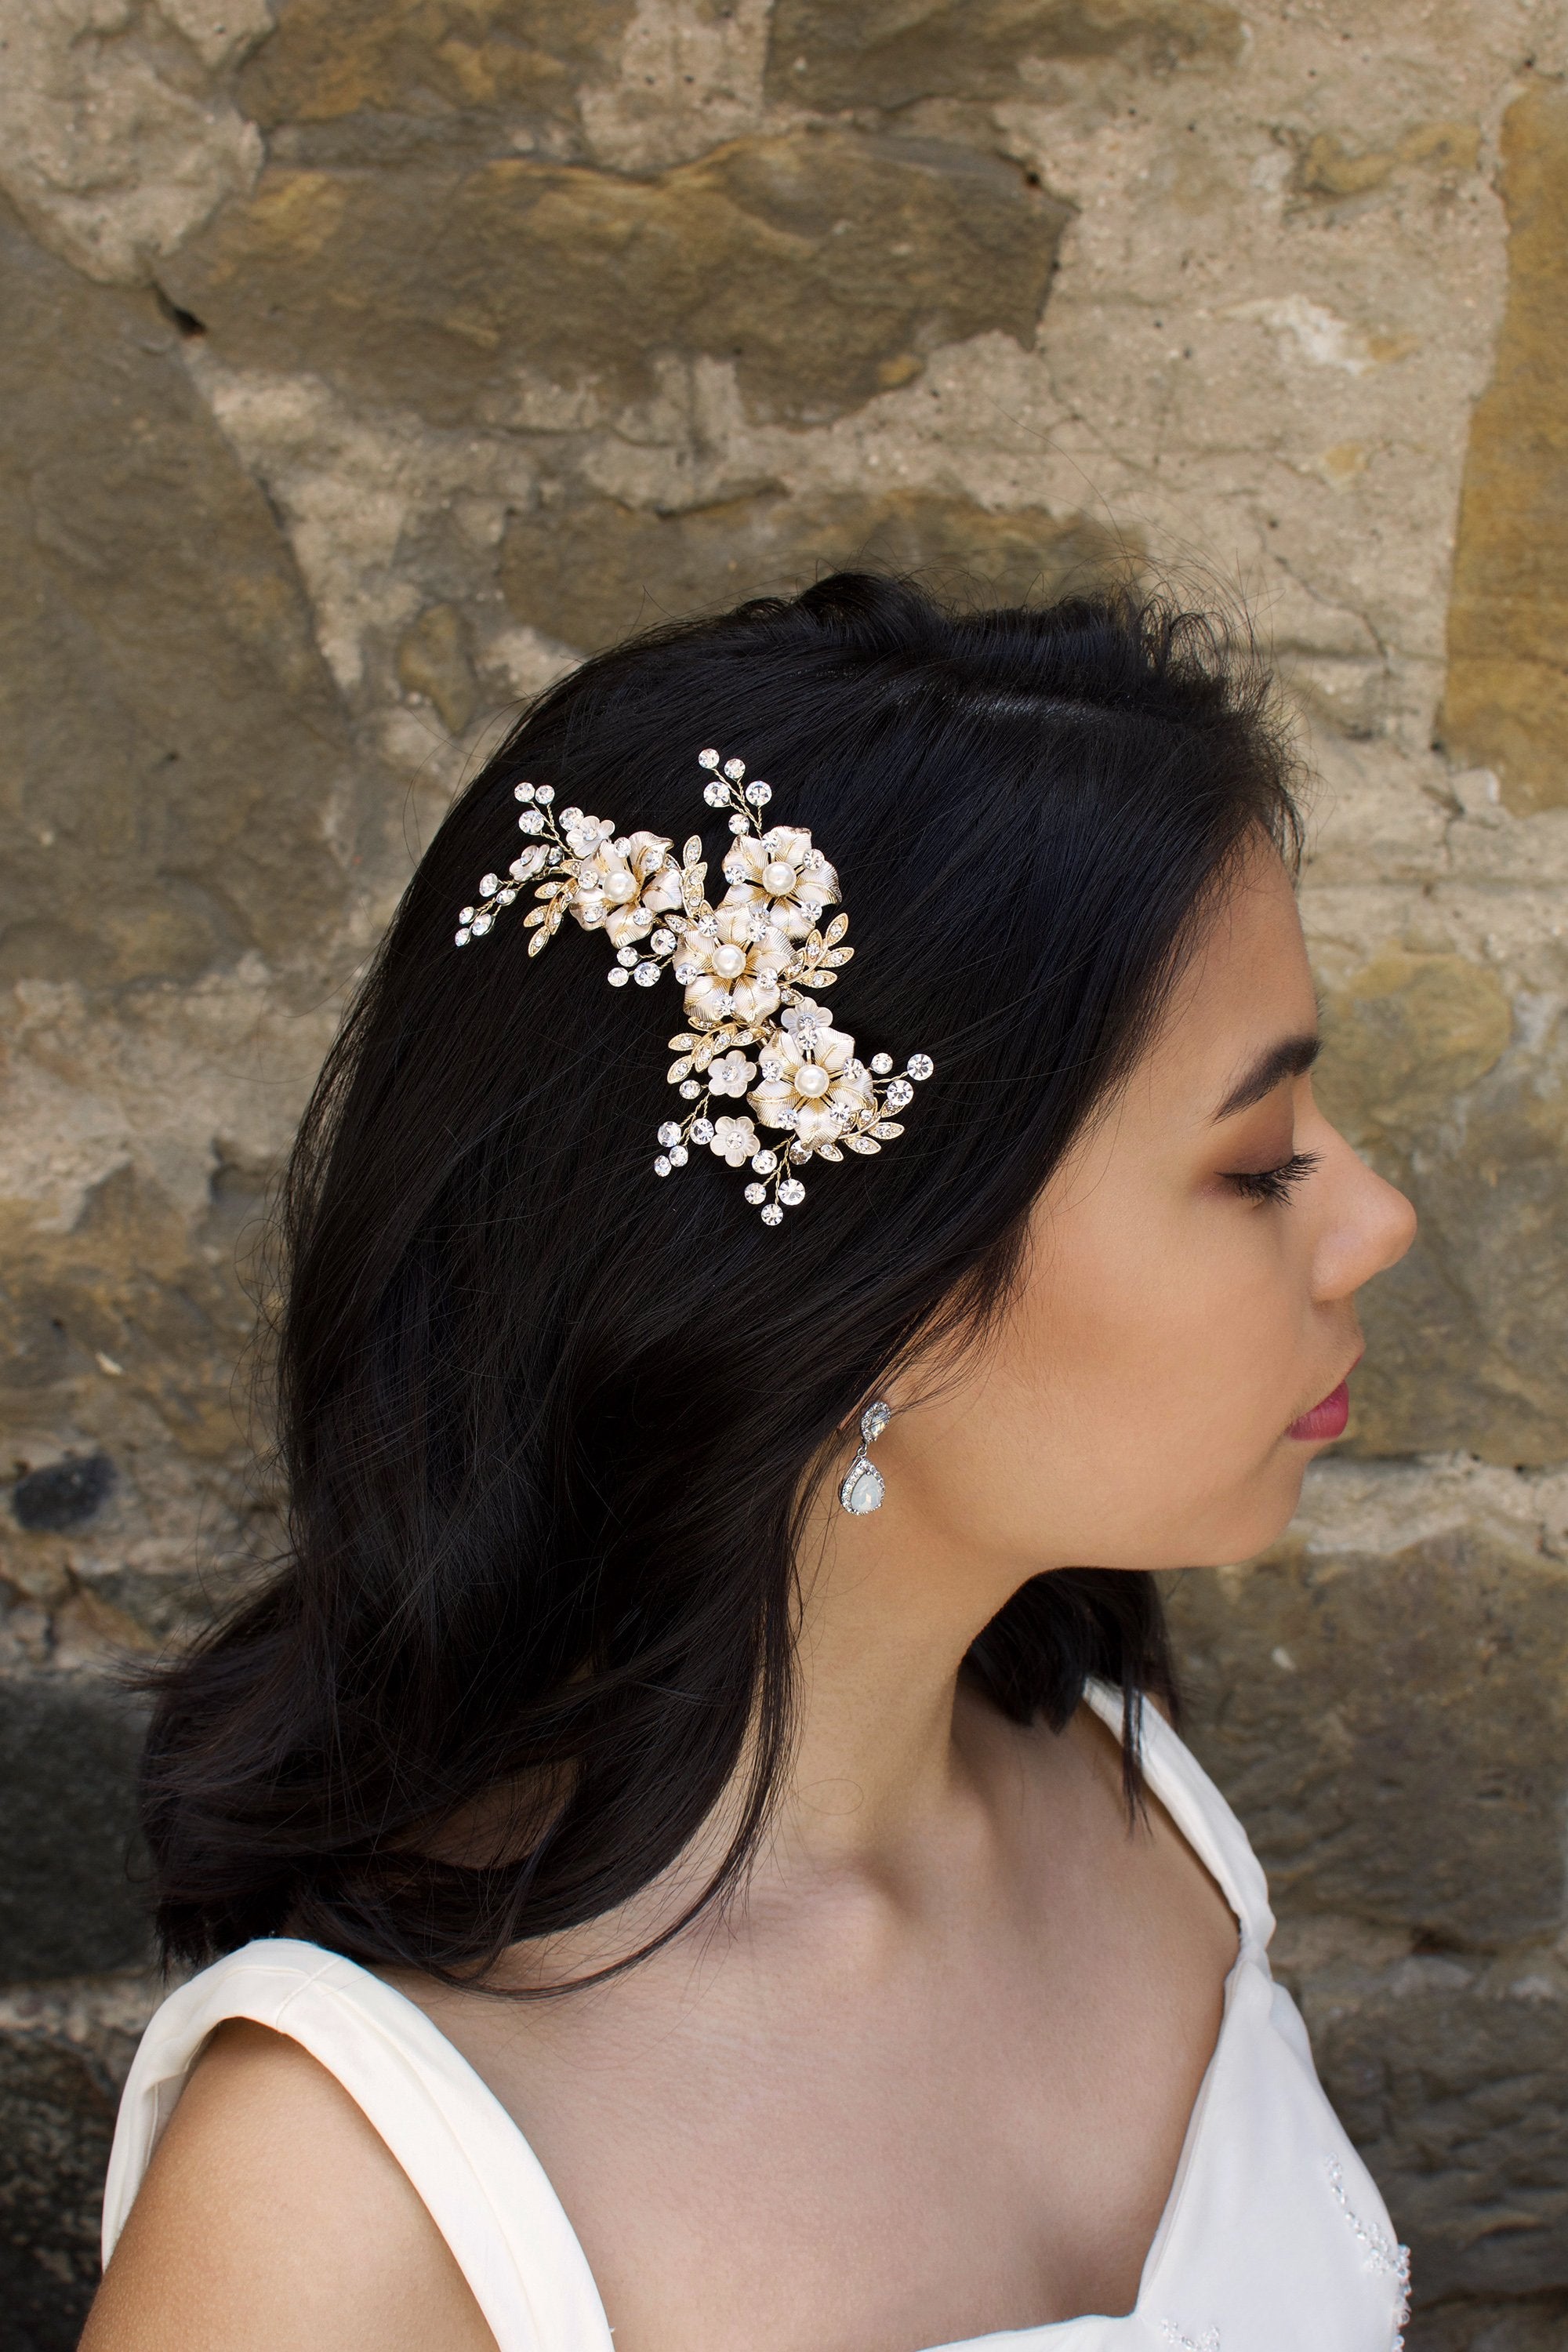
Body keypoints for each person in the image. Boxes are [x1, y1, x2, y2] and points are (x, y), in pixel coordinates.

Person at [82, 575, 1418, 2352]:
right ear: (860, 1287)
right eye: (1257, 1164)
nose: (1377, 1220)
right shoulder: (340, 2205)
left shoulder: (1132, 1804)